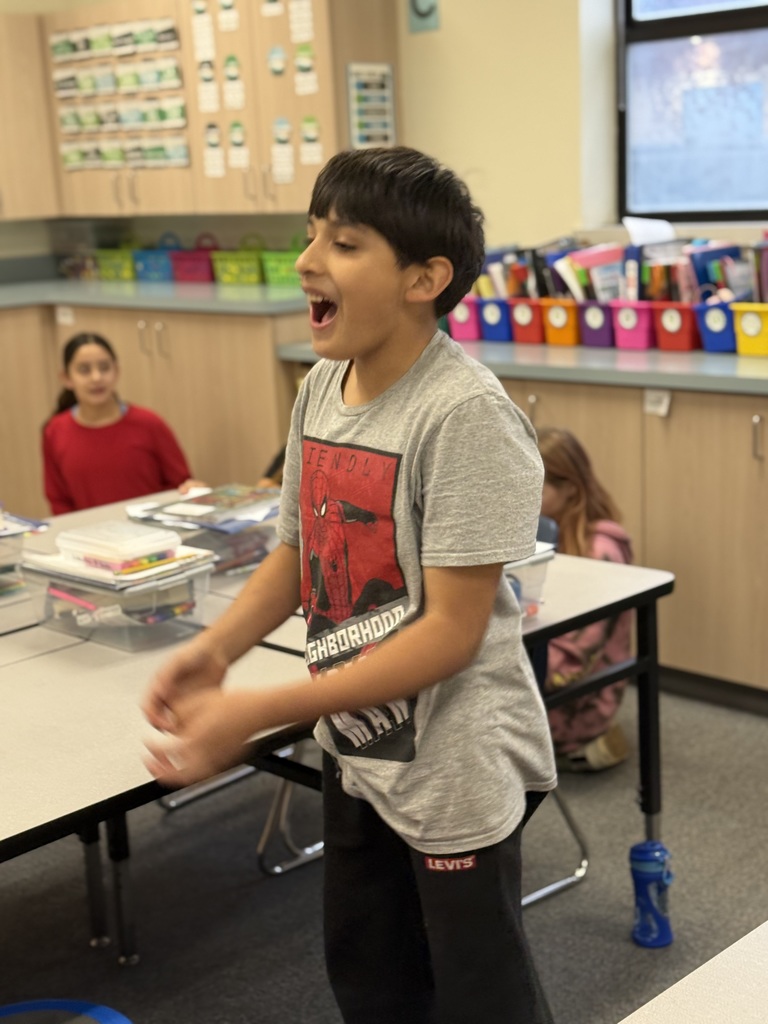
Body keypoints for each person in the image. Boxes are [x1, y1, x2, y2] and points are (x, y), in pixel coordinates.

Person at [142, 146, 556, 1024]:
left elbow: (450, 633)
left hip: (454, 767)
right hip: (358, 752)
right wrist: (212, 652)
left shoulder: (465, 415)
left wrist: (256, 710)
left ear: (424, 278)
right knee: (370, 980)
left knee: (479, 998)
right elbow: (296, 552)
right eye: (310, 235)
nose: (306, 261)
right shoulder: (321, 389)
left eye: (345, 241)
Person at [538, 426, 634, 772]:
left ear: (570, 490)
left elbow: (575, 658)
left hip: (579, 698)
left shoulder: (602, 551)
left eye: (537, 483)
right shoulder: (543, 529)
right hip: (545, 668)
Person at [43, 333, 203, 514]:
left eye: (104, 368)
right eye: (84, 370)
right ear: (66, 378)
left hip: (152, 534)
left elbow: (181, 486)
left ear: (117, 371)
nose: (96, 377)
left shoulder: (149, 423)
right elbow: (58, 500)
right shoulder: (55, 431)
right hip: (88, 536)